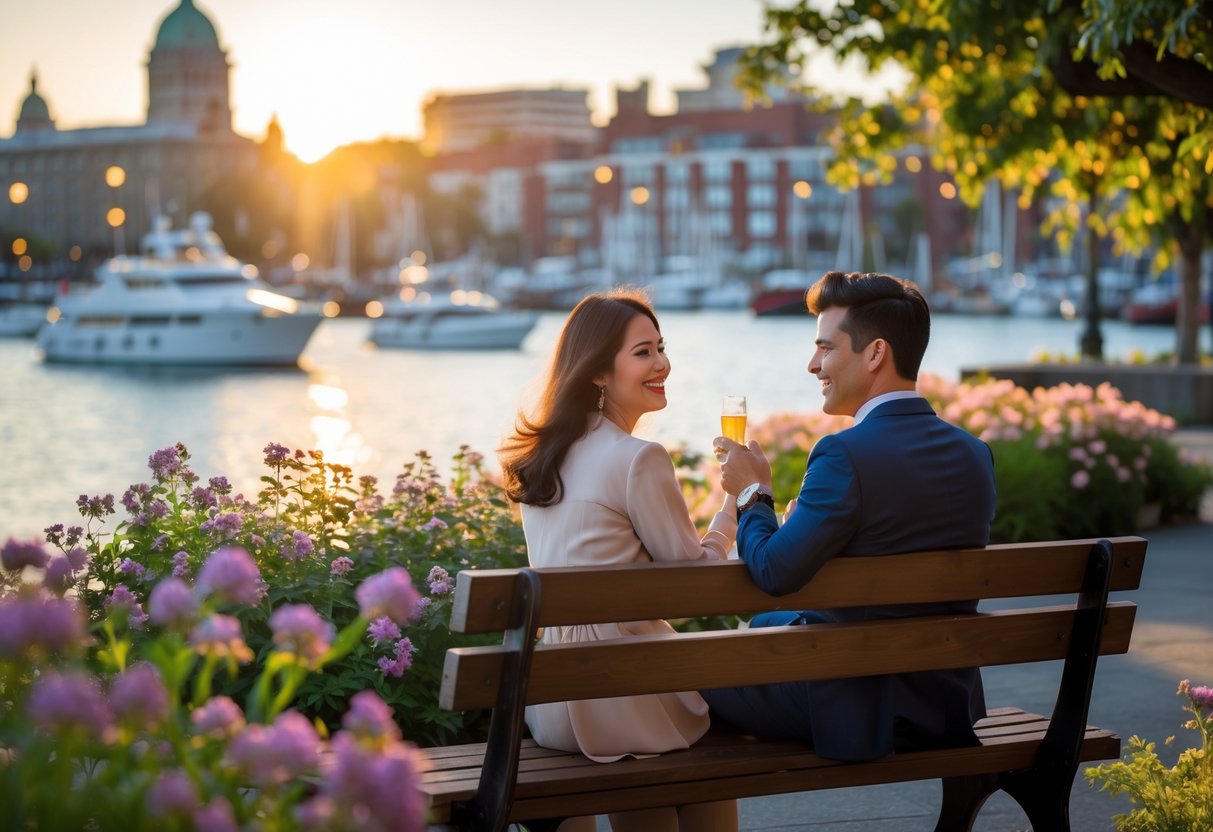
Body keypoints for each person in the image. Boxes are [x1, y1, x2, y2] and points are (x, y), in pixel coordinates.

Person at [704, 270, 997, 763]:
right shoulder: (974, 454)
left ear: (876, 353)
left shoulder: (844, 455)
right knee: (764, 625)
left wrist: (753, 493)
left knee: (678, 679)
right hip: (943, 706)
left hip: (858, 712)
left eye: (826, 347)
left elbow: (774, 572)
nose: (812, 364)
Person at [499, 287, 739, 832]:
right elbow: (696, 583)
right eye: (643, 352)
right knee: (714, 756)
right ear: (598, 373)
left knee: (675, 764)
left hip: (551, 700)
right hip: (621, 691)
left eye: (661, 347)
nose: (662, 364)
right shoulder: (639, 459)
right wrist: (736, 503)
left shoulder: (540, 457)